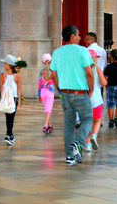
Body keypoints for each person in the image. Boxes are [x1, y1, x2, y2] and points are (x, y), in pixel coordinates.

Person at [50, 25, 94, 164]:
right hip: (80, 93)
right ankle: (78, 144)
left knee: (69, 124)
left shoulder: (57, 52)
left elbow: (53, 75)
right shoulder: (82, 51)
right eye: (79, 35)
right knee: (87, 119)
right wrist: (91, 89)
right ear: (73, 36)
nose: (81, 38)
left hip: (66, 94)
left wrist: (60, 88)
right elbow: (89, 73)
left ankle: (69, 156)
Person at [85, 49, 107, 152]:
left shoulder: (82, 70)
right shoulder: (97, 69)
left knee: (86, 122)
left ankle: (88, 144)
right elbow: (103, 83)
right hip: (97, 100)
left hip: (85, 99)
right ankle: (94, 136)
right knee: (97, 120)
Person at [0, 54, 22, 145]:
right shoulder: (5, 76)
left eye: (5, 63)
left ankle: (9, 135)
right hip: (10, 98)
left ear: (9, 65)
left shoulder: (16, 76)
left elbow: (19, 88)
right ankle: (9, 135)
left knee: (9, 117)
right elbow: (18, 89)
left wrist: (19, 99)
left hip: (10, 98)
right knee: (9, 117)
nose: (4, 65)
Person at [38, 53, 55, 134]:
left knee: (47, 110)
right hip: (50, 91)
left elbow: (39, 83)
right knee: (48, 110)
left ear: (42, 62)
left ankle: (50, 125)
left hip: (42, 92)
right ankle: (45, 126)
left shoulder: (41, 72)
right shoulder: (53, 71)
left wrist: (38, 95)